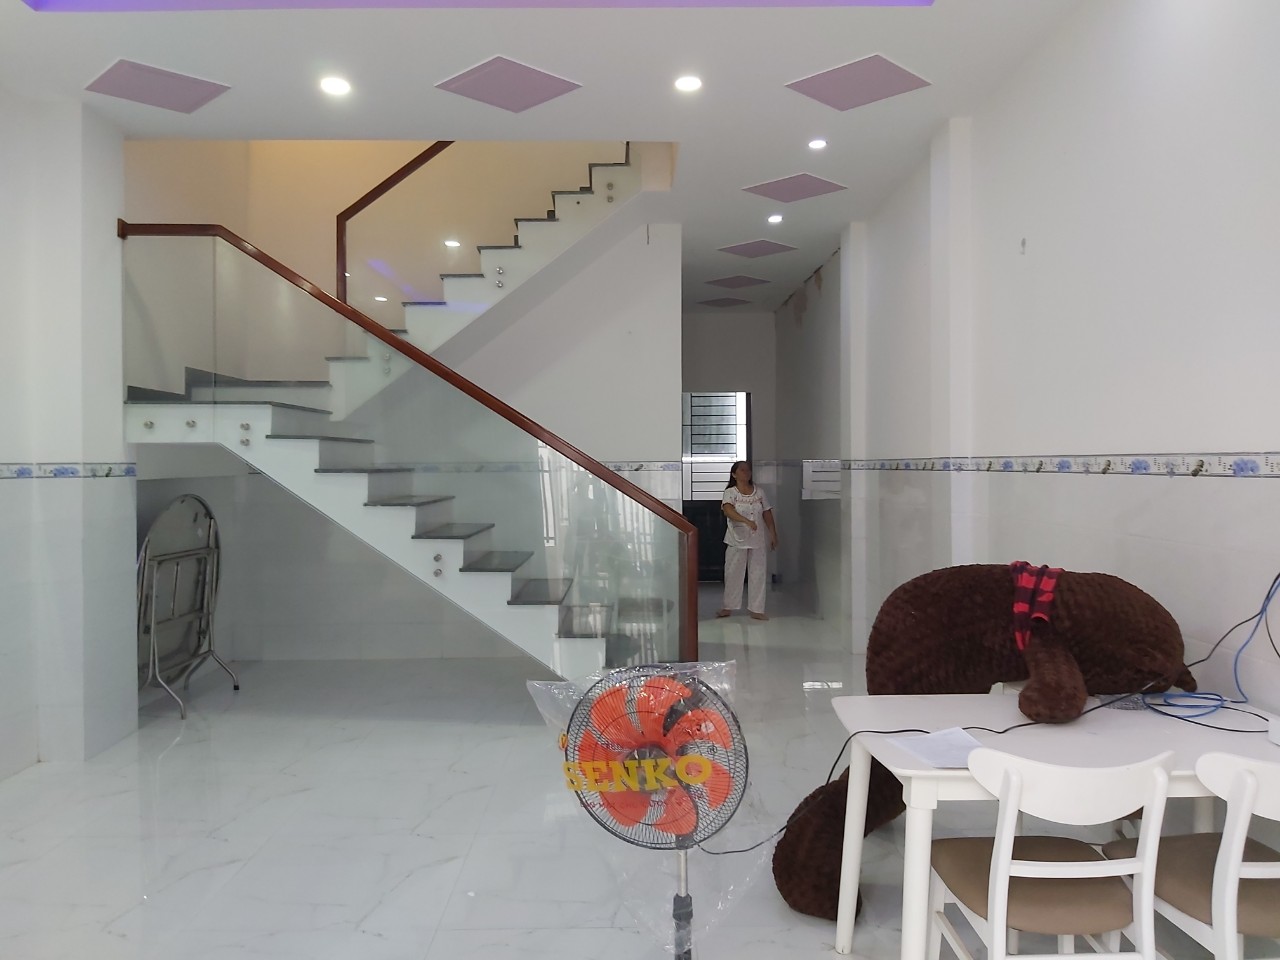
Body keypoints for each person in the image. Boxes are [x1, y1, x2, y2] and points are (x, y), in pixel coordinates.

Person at [716, 461, 777, 620]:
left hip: (757, 539)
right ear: (734, 474)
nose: (746, 472)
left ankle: (757, 609)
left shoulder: (759, 492)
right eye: (742, 470)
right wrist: (746, 521)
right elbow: (728, 510)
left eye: (748, 470)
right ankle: (728, 606)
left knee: (758, 573)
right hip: (736, 539)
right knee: (733, 573)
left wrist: (773, 534)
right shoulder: (730, 492)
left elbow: (767, 513)